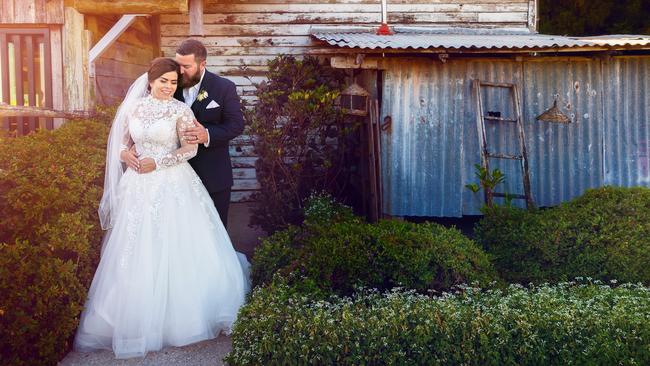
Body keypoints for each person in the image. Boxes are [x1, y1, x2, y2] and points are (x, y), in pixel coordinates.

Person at [74, 57, 250, 359]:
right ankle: (132, 315)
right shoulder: (132, 108)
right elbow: (122, 141)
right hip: (137, 186)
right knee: (135, 246)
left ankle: (183, 316)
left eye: (173, 82)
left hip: (172, 182)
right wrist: (124, 155)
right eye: (163, 81)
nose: (169, 87)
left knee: (176, 244)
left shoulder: (180, 110)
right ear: (150, 80)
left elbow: (189, 148)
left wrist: (159, 161)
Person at [173, 39, 244, 229]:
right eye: (177, 64)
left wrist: (207, 134)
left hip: (214, 177)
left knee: (215, 232)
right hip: (175, 178)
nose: (180, 71)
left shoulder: (224, 87)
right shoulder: (169, 86)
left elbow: (236, 124)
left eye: (186, 66)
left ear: (202, 64)